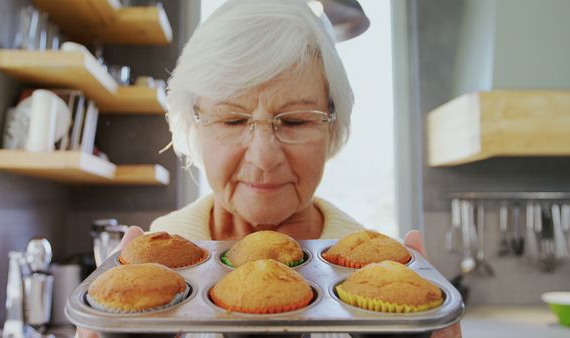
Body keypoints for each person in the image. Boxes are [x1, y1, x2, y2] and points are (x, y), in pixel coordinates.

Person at [78, 0, 461, 337]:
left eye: (294, 121)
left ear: (333, 128)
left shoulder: (378, 278)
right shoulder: (153, 265)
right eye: (231, 120)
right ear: (194, 125)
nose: (264, 157)